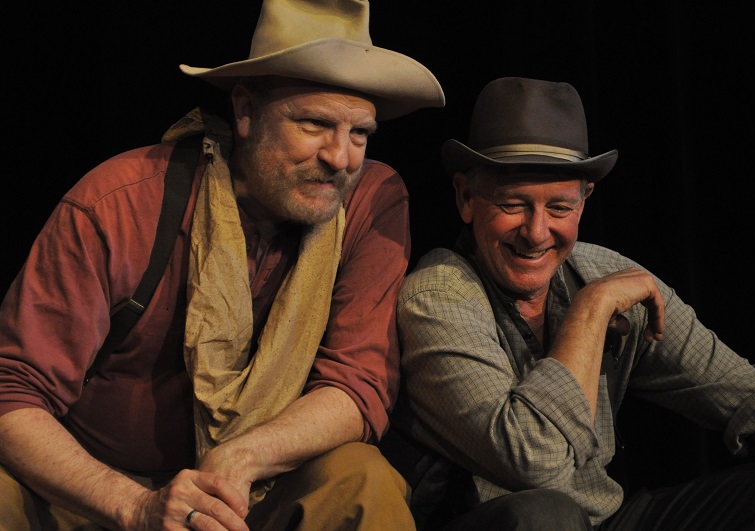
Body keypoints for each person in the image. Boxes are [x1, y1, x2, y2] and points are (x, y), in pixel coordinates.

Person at [0, 1, 445, 529]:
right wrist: (135, 507)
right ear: (246, 111)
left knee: (361, 478)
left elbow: (357, 385)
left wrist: (243, 458)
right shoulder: (120, 204)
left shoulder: (372, 198)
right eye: (315, 124)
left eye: (360, 134)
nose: (340, 157)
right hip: (99, 488)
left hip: (254, 487)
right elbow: (12, 391)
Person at [384, 77, 755, 530]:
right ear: (466, 198)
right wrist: (589, 311)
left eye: (559, 208)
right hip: (509, 521)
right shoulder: (437, 296)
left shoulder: (604, 271)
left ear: (585, 201)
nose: (537, 232)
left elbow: (754, 394)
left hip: (600, 521)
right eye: (514, 204)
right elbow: (535, 464)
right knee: (546, 513)